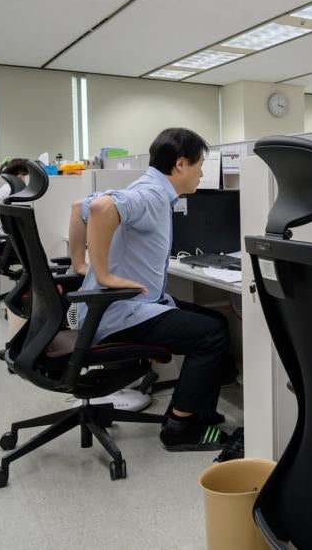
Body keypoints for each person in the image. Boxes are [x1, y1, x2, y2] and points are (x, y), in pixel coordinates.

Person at [68, 128, 232, 452]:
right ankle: (179, 426)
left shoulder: (147, 188)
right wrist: (102, 274)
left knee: (216, 321)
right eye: (200, 164)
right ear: (182, 164)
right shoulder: (154, 195)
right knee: (210, 333)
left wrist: (79, 264)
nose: (201, 173)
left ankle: (200, 410)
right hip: (117, 313)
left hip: (110, 308)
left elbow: (78, 207)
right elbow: (101, 208)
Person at [0, 158, 29, 234]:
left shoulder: (8, 188)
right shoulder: (14, 191)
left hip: (4, 235)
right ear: (21, 176)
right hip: (8, 238)